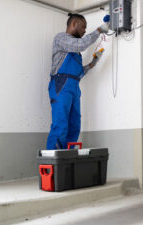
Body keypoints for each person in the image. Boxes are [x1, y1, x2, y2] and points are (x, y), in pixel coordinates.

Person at [46, 13, 108, 150]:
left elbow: (78, 73)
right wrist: (99, 30)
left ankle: (67, 161)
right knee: (60, 124)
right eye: (83, 27)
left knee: (74, 126)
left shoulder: (75, 52)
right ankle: (53, 164)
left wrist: (93, 62)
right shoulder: (61, 38)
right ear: (74, 24)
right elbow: (80, 45)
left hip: (74, 87)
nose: (85, 30)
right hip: (60, 86)